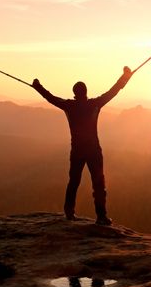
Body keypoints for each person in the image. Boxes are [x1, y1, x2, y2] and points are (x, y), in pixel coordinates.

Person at [32, 66, 134, 225]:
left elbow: (50, 98)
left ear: (75, 93)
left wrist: (37, 86)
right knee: (98, 184)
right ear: (85, 92)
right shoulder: (95, 104)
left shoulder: (69, 106)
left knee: (74, 181)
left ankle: (69, 212)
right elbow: (113, 91)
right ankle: (101, 216)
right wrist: (126, 77)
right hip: (94, 150)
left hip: (77, 150)